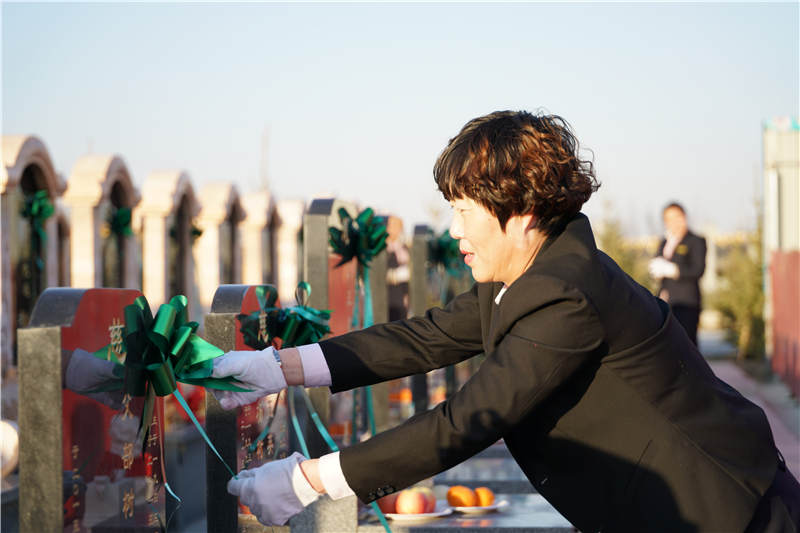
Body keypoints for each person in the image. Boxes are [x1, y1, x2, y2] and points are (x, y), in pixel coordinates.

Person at [213, 111, 799, 532]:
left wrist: (308, 482)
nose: (456, 231)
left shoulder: (566, 294)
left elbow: (468, 420)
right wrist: (278, 367)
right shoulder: (529, 274)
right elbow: (427, 336)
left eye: (465, 211)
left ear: (522, 213)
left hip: (727, 512)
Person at [649, 203, 707, 346]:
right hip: (665, 301)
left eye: (675, 217)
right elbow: (657, 264)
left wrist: (674, 270)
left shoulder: (695, 241)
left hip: (686, 303)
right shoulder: (665, 241)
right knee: (666, 345)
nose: (672, 222)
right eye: (668, 219)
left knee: (687, 344)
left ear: (683, 217)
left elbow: (698, 270)